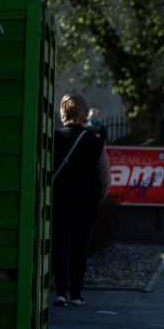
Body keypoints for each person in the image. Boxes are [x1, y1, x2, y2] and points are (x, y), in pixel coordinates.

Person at [51, 93, 110, 307]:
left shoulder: (54, 139)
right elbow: (105, 177)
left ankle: (60, 292)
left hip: (60, 199)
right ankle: (76, 293)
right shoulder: (95, 141)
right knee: (80, 246)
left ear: (62, 112)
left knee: (60, 244)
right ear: (85, 113)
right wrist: (98, 199)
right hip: (87, 201)